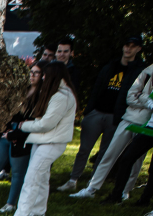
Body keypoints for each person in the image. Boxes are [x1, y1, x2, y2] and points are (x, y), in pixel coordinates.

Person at [58, 37, 144, 191]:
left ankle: (93, 183)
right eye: (126, 45)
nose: (128, 49)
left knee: (105, 152)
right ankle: (73, 180)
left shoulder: (139, 70)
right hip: (97, 112)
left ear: (139, 49)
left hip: (116, 117)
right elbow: (97, 88)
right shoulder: (111, 66)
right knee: (84, 149)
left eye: (132, 46)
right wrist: (89, 110)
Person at [70, 61, 153, 201]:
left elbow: (139, 97)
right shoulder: (147, 71)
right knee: (110, 154)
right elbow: (130, 96)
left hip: (146, 124)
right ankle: (92, 188)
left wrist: (142, 97)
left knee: (136, 162)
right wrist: (147, 102)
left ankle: (125, 191)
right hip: (129, 118)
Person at [7, 62, 78, 216]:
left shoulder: (62, 96)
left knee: (31, 178)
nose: (43, 78)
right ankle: (38, 212)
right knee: (42, 178)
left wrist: (23, 125)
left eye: (46, 75)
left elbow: (46, 124)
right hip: (42, 140)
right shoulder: (58, 94)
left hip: (52, 142)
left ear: (54, 76)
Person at [0, 61, 44, 215]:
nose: (32, 75)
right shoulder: (20, 91)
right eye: (31, 72)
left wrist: (16, 134)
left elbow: (36, 123)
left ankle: (10, 204)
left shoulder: (42, 97)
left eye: (36, 72)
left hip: (22, 138)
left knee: (18, 173)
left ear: (43, 76)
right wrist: (5, 130)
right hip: (6, 133)